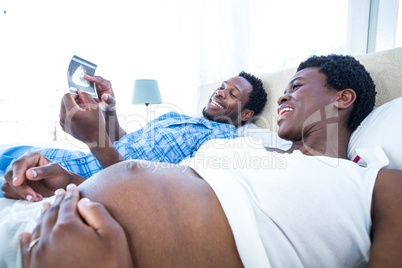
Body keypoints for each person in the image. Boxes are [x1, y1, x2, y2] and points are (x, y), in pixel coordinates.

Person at [2, 54, 402, 267]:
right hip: (50, 225)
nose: (282, 96)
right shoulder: (249, 149)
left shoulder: (376, 180)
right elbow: (158, 184)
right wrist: (70, 181)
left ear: (343, 98)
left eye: (296, 87)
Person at [1, 71, 268, 201]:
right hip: (70, 157)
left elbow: (151, 190)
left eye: (233, 94)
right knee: (8, 153)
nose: (220, 92)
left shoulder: (222, 144)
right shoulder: (176, 117)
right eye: (222, 87)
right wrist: (110, 109)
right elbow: (125, 141)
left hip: (75, 173)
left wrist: (95, 139)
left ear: (245, 115)